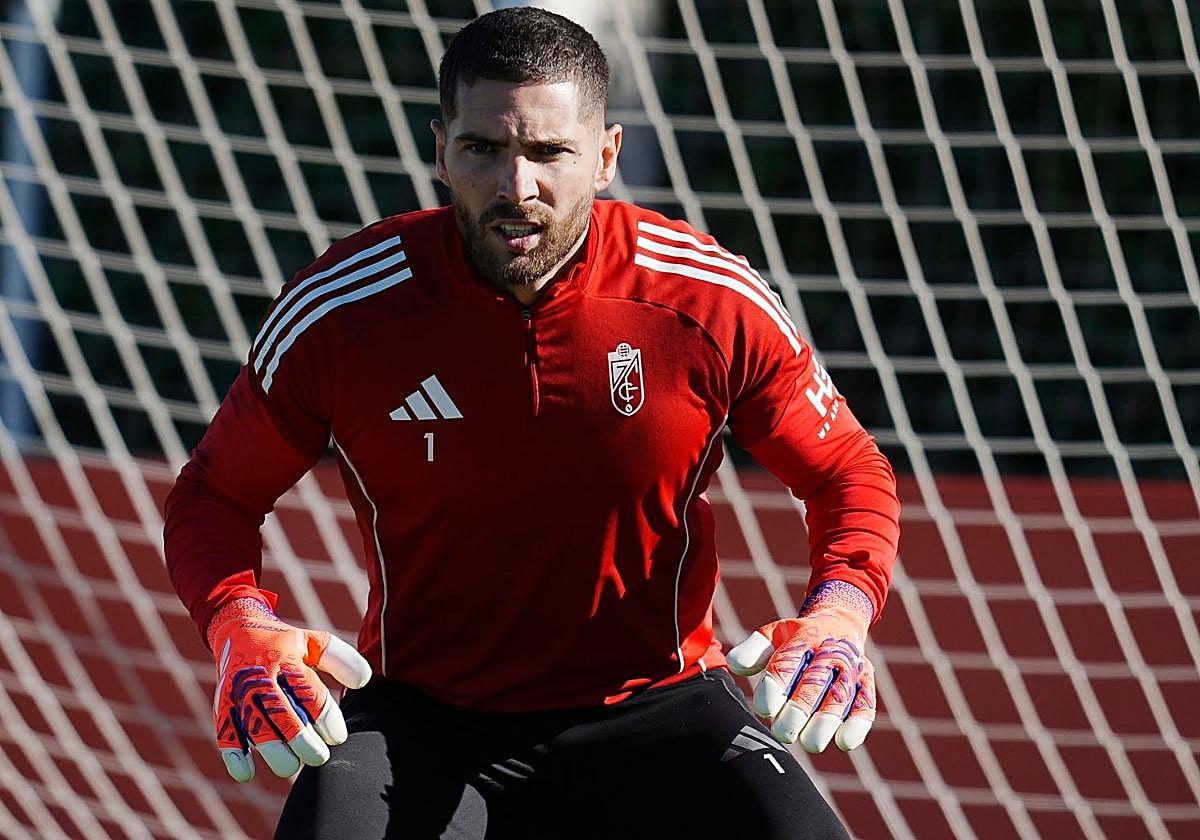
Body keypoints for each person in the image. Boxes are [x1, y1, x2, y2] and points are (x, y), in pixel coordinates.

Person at [164, 7, 900, 839]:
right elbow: (214, 496)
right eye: (484, 149)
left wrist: (840, 612)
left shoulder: (706, 300)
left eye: (550, 152)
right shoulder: (343, 311)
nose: (518, 189)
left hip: (659, 707)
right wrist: (240, 623)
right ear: (440, 150)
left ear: (607, 155)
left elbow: (847, 470)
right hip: (419, 721)